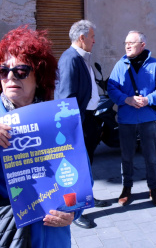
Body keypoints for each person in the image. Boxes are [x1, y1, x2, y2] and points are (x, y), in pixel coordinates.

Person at [0, 26, 80, 247]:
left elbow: (79, 179)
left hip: (52, 237)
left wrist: (74, 211)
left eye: (21, 71)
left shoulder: (58, 119)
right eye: (3, 70)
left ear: (39, 76)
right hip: (8, 235)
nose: (10, 77)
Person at [54, 19, 108, 229]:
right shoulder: (71, 59)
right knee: (76, 168)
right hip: (79, 122)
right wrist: (73, 127)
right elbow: (66, 97)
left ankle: (87, 199)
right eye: (92, 36)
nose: (95, 41)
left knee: (86, 165)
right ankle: (75, 212)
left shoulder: (82, 57)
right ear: (82, 37)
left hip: (89, 118)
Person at [107, 30, 156, 207]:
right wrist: (125, 99)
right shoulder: (120, 65)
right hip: (126, 118)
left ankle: (154, 189)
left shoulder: (154, 65)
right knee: (126, 156)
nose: (127, 46)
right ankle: (126, 189)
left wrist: (149, 99)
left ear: (142, 45)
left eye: (131, 43)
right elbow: (111, 88)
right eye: (126, 43)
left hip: (147, 118)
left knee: (150, 156)